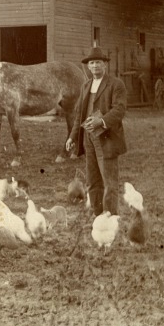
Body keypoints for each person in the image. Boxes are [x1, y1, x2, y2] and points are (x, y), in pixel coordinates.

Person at [65, 47, 128, 218]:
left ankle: (111, 217)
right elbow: (80, 114)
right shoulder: (86, 85)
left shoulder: (116, 84)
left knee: (109, 182)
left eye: (98, 62)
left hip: (107, 139)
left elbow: (120, 109)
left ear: (105, 65)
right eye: (91, 63)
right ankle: (98, 215)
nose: (94, 66)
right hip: (88, 139)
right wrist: (72, 136)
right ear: (88, 66)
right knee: (92, 182)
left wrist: (102, 121)